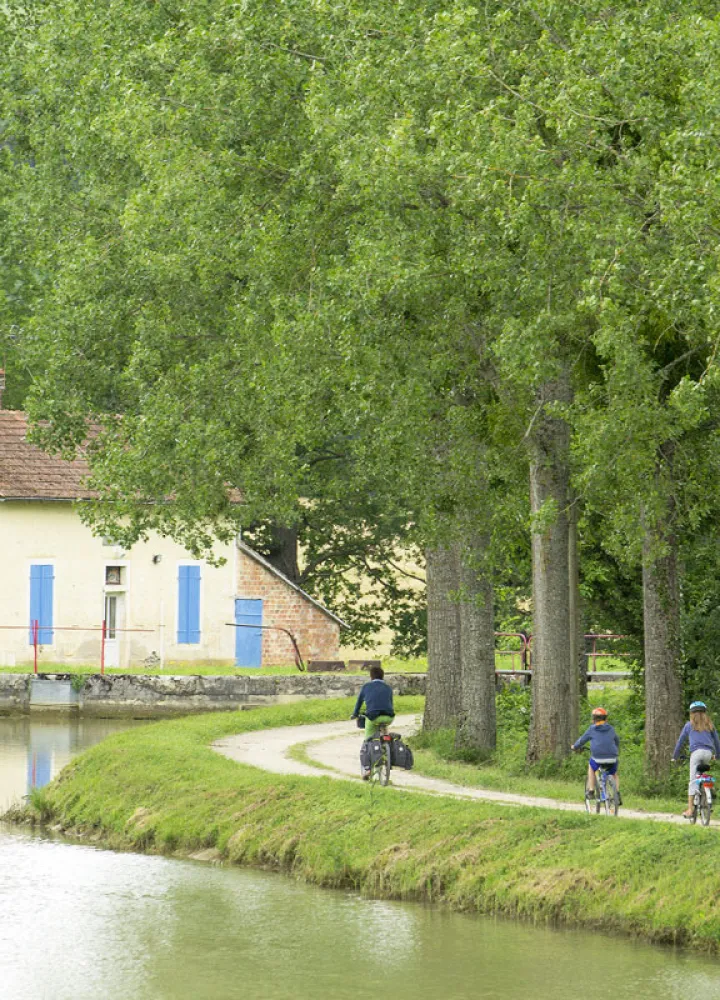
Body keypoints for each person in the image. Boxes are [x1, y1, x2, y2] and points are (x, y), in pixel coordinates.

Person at [672, 701, 720, 818]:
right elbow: (717, 742)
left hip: (696, 753)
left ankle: (690, 810)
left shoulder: (689, 725)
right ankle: (708, 790)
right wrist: (718, 755)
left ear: (691, 713)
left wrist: (675, 756)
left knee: (692, 781)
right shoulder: (710, 725)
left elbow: (680, 741)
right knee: (701, 775)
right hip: (708, 753)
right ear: (704, 713)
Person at [351, 665, 395, 778]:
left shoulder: (366, 687)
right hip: (389, 717)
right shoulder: (388, 688)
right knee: (385, 734)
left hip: (373, 718)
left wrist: (355, 714)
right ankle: (386, 750)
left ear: (371, 677)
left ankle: (367, 770)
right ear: (382, 676)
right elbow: (390, 704)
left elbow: (359, 703)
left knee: (367, 741)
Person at [571, 707, 621, 803]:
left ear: (593, 719)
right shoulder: (611, 729)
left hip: (598, 758)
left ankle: (591, 791)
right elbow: (617, 740)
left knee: (591, 767)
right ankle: (617, 794)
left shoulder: (592, 729)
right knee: (614, 773)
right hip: (612, 758)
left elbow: (582, 740)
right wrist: (615, 749)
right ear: (606, 719)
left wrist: (574, 747)